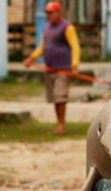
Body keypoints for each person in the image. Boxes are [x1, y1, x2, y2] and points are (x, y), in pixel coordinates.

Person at [23, 1, 80, 135]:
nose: (48, 15)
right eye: (47, 13)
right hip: (50, 69)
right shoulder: (47, 27)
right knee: (55, 98)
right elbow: (43, 47)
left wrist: (75, 65)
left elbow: (75, 46)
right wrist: (32, 58)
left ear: (59, 12)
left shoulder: (67, 27)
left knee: (60, 97)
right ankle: (58, 123)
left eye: (51, 13)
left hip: (62, 69)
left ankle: (61, 124)